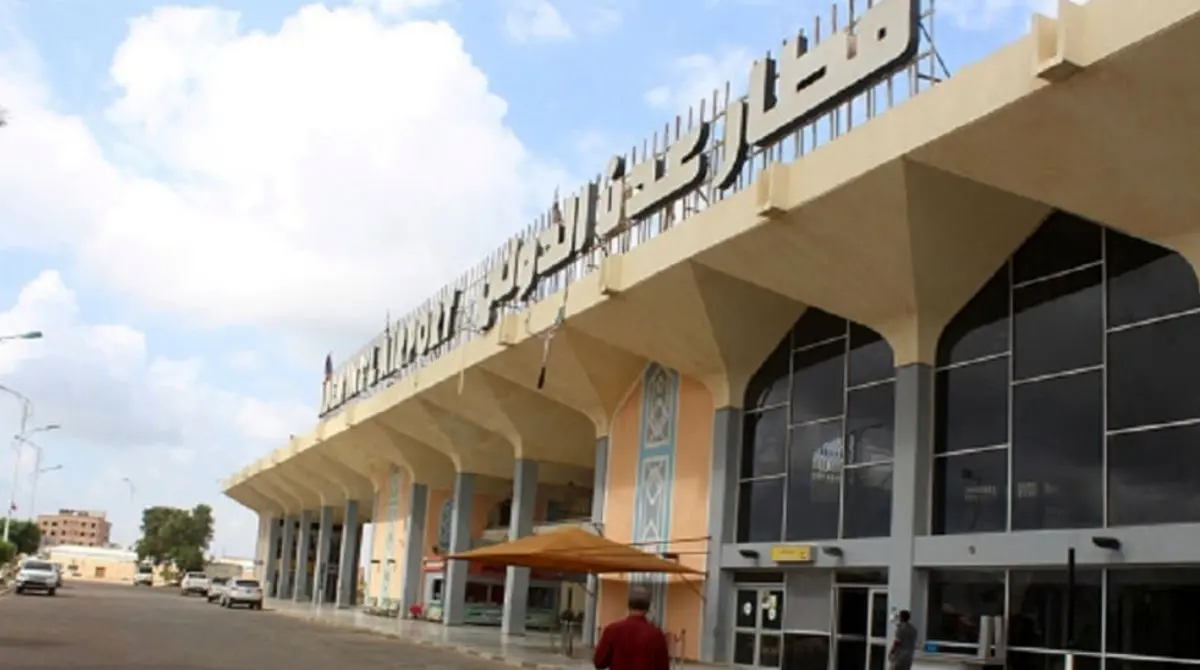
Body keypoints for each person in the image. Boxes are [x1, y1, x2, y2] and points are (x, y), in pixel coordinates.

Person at [593, 589, 670, 670]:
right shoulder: (656, 635)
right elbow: (663, 667)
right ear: (648, 608)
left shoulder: (612, 630)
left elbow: (599, 662)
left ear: (629, 606)